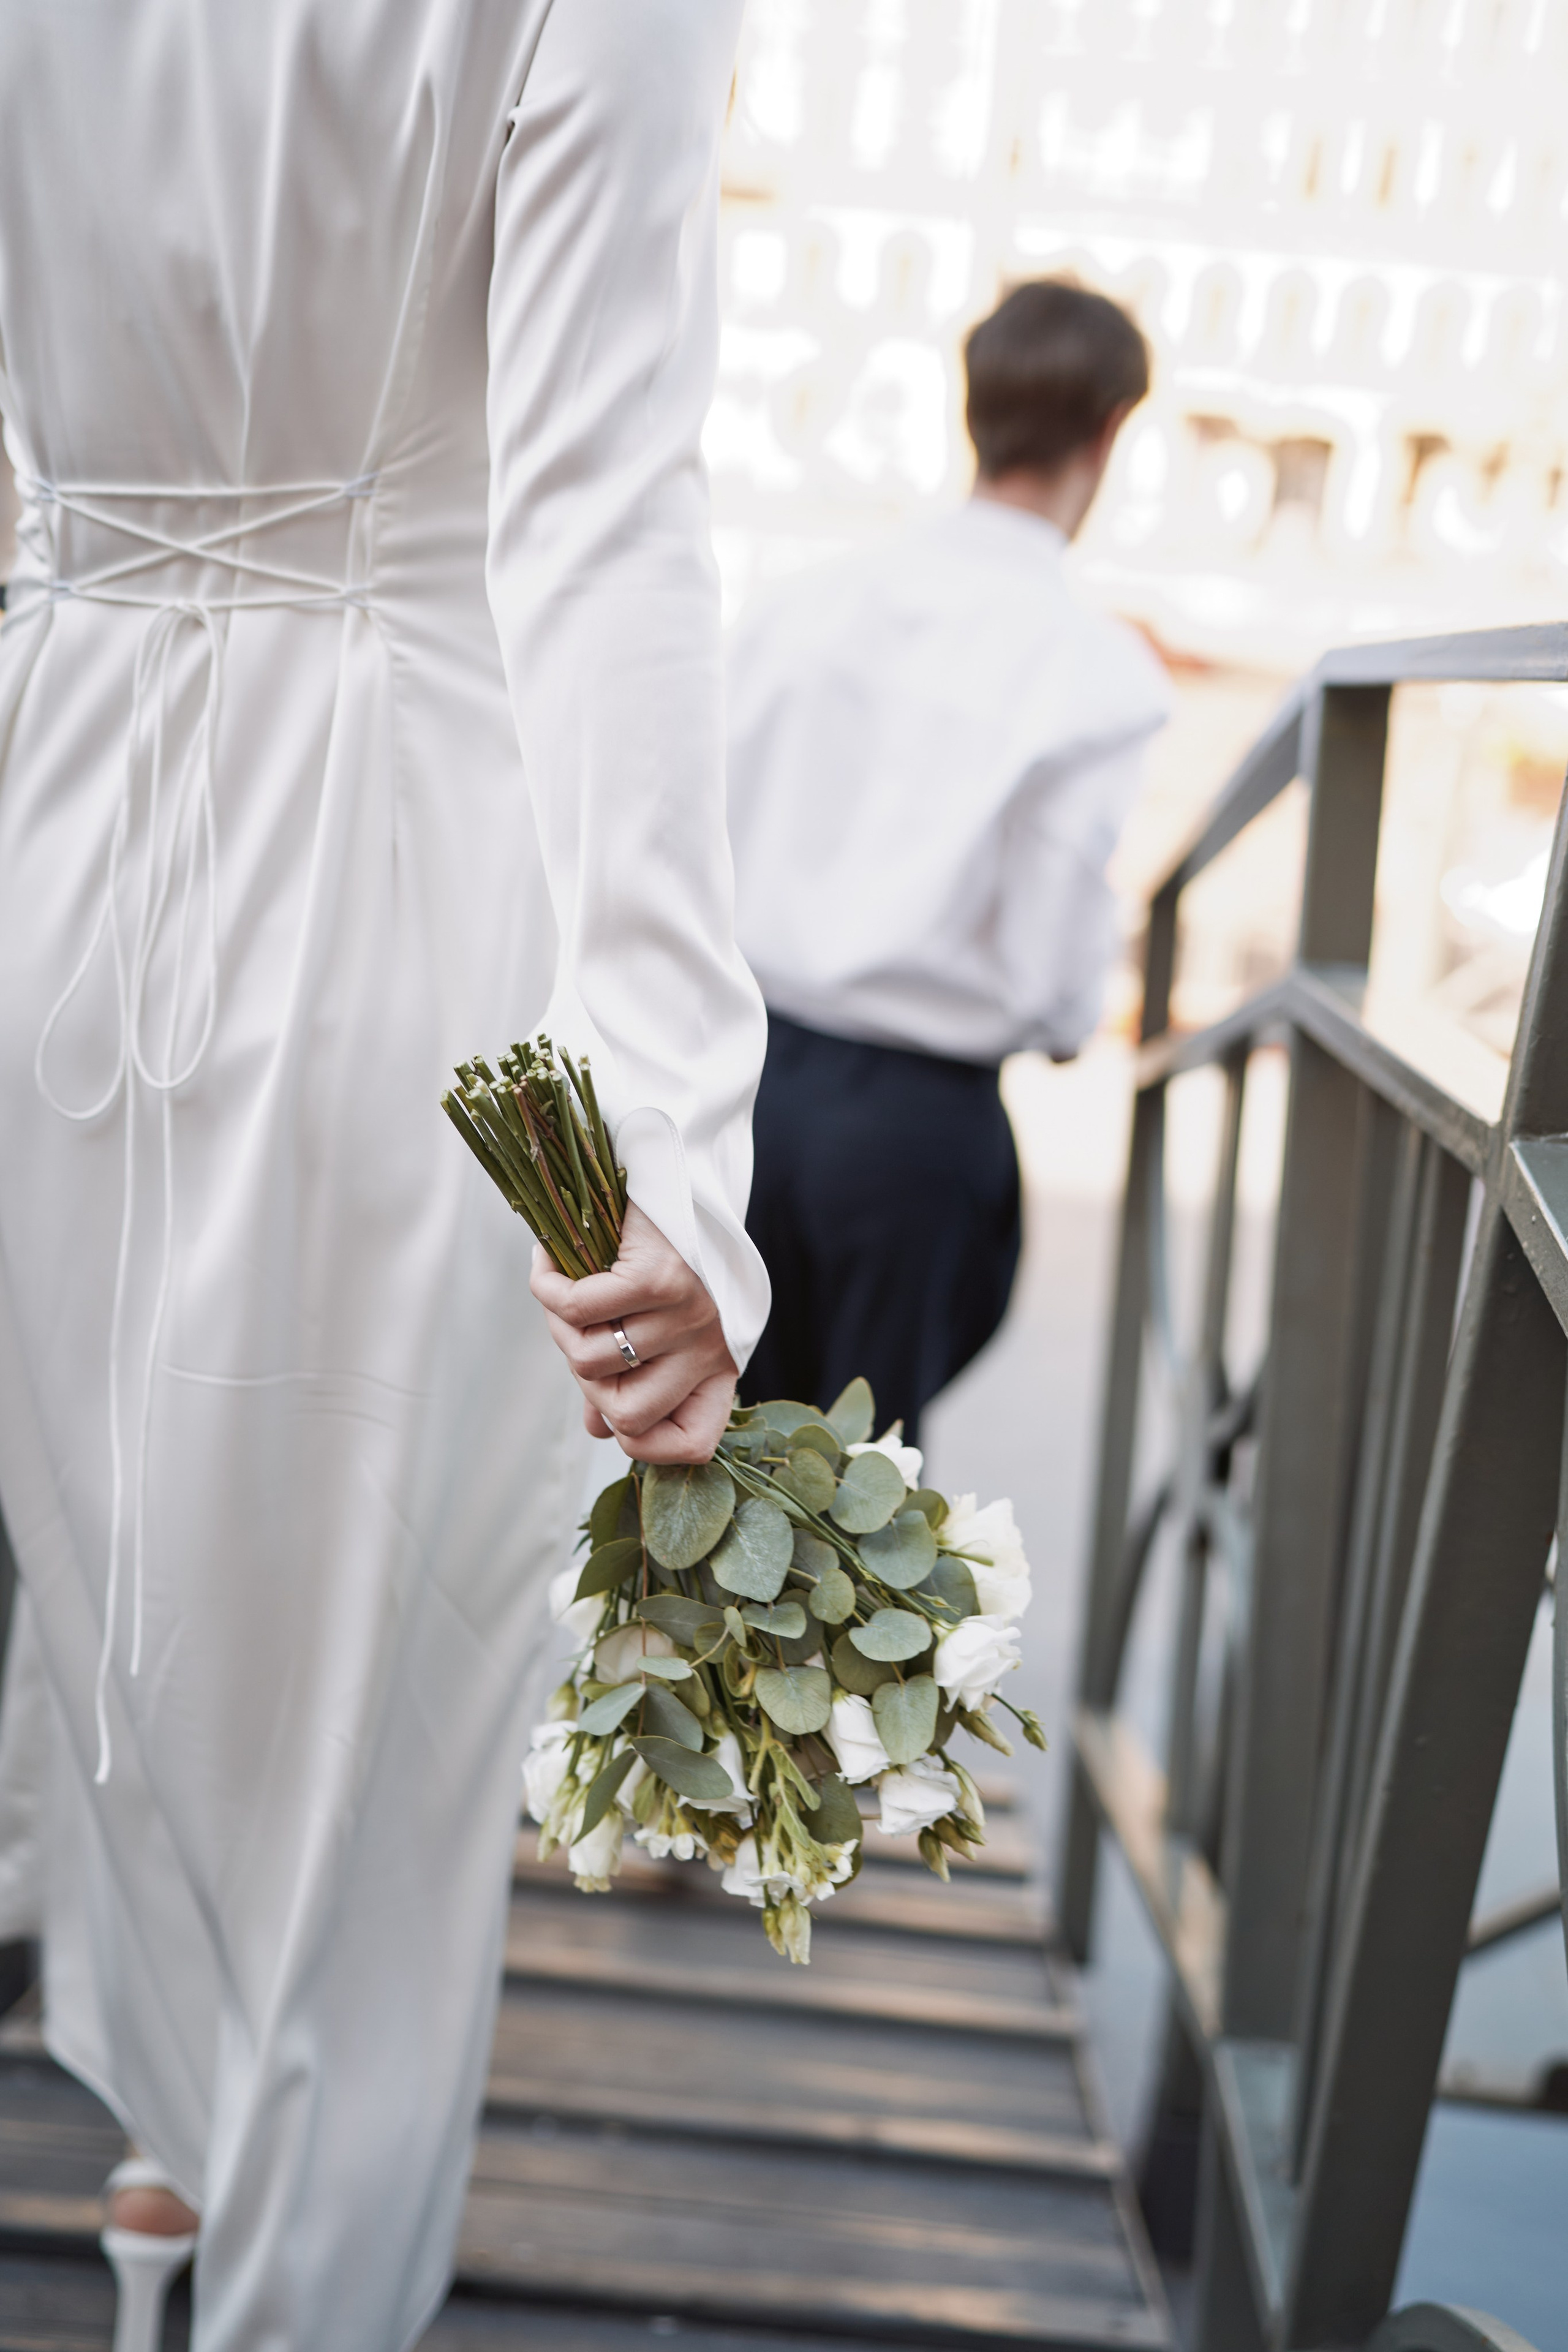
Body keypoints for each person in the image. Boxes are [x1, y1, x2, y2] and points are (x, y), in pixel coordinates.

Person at [0, 5, 764, 2348]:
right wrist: (676, 1126)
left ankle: (157, 2199)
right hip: (405, 873)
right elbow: (606, 510)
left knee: (132, 1611)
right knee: (365, 1757)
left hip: (52, 819)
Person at [728, 279, 1171, 1449]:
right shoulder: (1093, 669)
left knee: (718, 1469)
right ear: (1110, 432)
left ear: (972, 409)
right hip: (918, 1127)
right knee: (862, 1515)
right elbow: (1052, 966)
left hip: (748, 1082)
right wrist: (1072, 1016)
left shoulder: (802, 606)